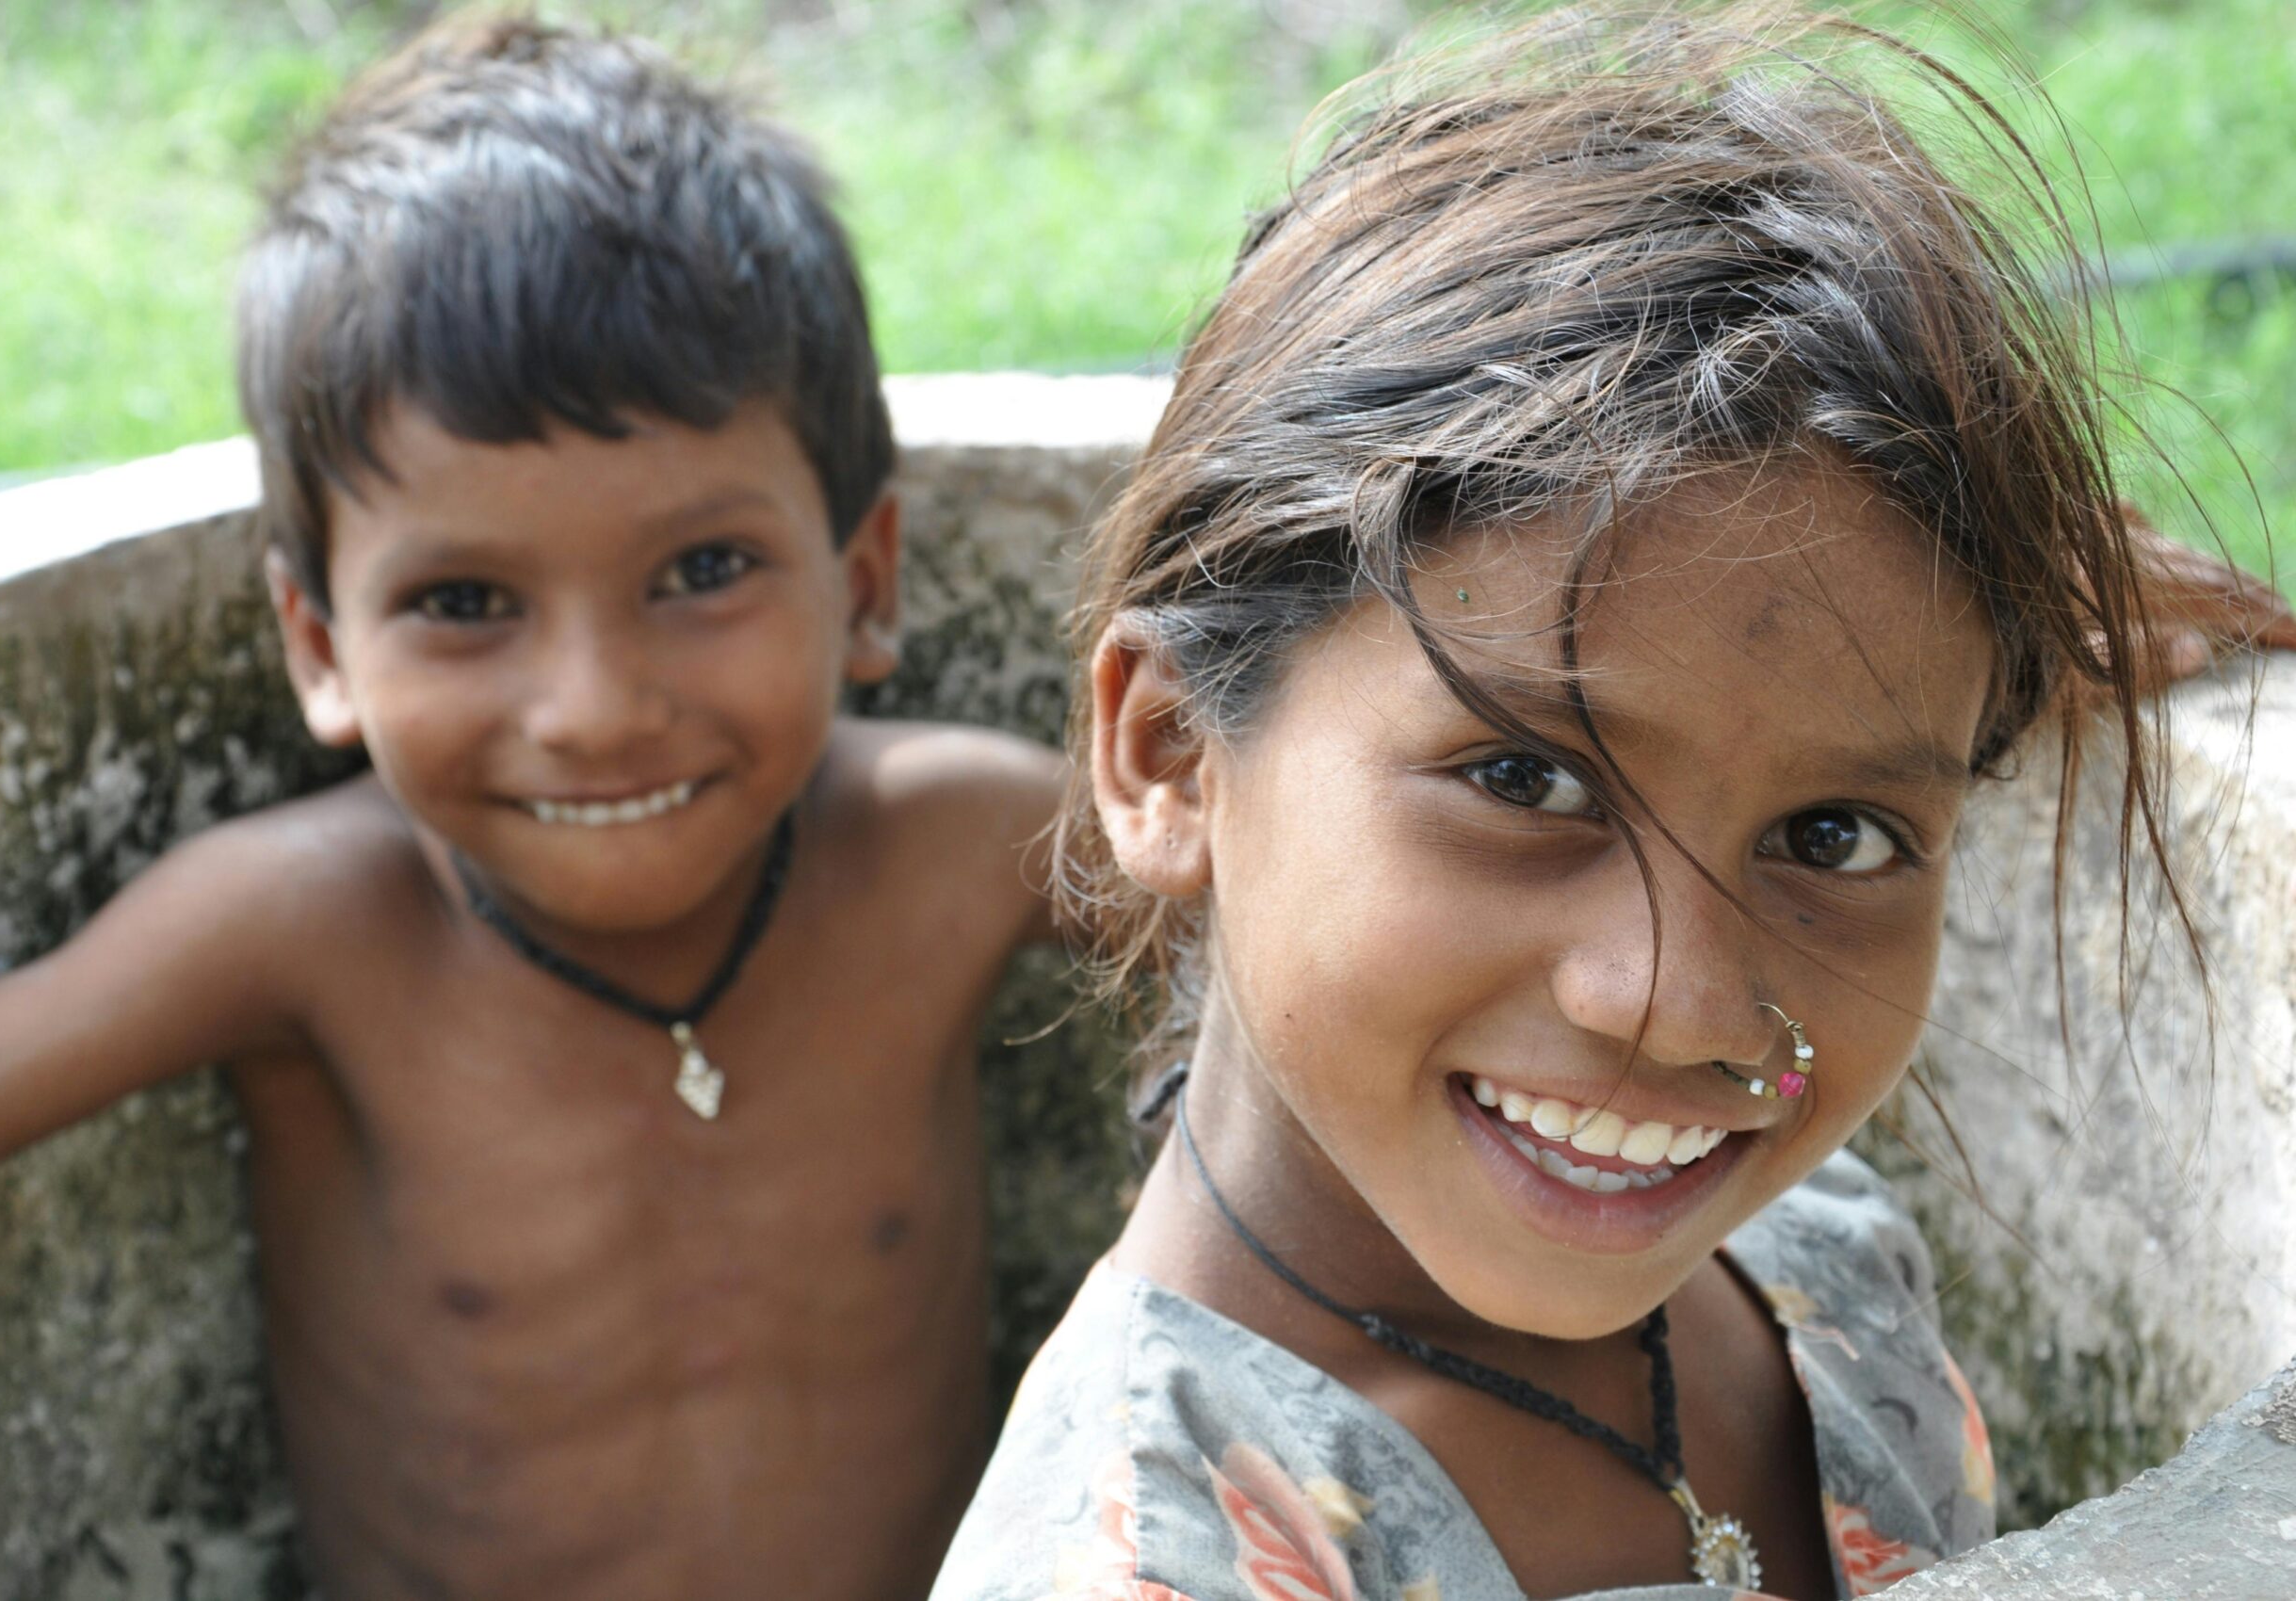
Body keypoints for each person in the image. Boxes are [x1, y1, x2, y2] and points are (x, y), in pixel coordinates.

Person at [929, 7, 2289, 1599]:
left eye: (1836, 832)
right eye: (1527, 781)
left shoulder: (1806, 1262)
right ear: (1169, 754)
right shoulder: (1152, 1561)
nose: (1683, 1007)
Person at [0, 15, 1059, 1601]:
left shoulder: (957, 847)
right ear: (322, 648)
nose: (591, 707)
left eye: (703, 572)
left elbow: (1296, 913)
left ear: (863, 585)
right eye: (461, 602)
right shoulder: (306, 931)